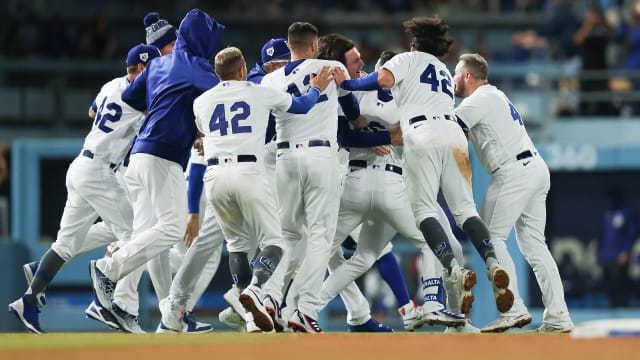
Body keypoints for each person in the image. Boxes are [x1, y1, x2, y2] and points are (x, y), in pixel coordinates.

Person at [334, 16, 514, 317]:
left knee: (425, 211)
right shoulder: (443, 70)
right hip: (454, 135)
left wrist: (348, 84)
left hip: (421, 134)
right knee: (465, 211)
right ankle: (492, 261)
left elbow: (383, 80)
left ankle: (453, 269)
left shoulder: (408, 58)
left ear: (414, 42)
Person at [314, 37, 465, 331]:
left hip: (354, 183)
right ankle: (432, 303)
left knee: (356, 255)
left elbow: (343, 133)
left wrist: (372, 137)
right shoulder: (407, 103)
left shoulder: (357, 98)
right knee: (433, 244)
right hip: (394, 184)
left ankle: (306, 307)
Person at [8, 44, 161, 334]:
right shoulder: (140, 93)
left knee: (65, 244)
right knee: (137, 234)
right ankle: (108, 302)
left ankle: (28, 299)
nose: (155, 74)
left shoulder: (111, 85)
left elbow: (93, 111)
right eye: (151, 68)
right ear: (141, 69)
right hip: (101, 170)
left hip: (81, 165)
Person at [87, 9, 225, 330]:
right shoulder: (199, 69)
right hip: (163, 156)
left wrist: (175, 111)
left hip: (138, 157)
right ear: (200, 38)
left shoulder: (159, 64)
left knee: (148, 233)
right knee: (172, 229)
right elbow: (224, 97)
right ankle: (110, 266)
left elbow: (132, 96)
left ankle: (128, 303)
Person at [188, 46, 331, 333]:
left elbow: (204, 131)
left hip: (215, 176)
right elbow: (302, 107)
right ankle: (255, 289)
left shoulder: (201, 101)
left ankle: (251, 319)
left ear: (217, 74)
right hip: (248, 171)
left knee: (237, 247)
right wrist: (316, 88)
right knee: (276, 243)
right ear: (243, 71)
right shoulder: (258, 90)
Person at [452, 53, 574, 333]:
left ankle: (515, 309)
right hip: (534, 167)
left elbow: (448, 126)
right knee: (534, 246)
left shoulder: (478, 99)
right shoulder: (496, 96)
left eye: (457, 74)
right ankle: (558, 316)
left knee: (489, 238)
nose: (453, 79)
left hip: (512, 171)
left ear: (469, 76)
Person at [260, 21, 360, 333]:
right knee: (320, 237)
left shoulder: (271, 79)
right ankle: (302, 308)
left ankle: (268, 297)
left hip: (285, 158)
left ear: (290, 46)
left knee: (289, 237)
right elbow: (353, 108)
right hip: (320, 155)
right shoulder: (330, 66)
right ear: (314, 45)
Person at [598, 188, 637, 308]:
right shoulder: (607, 214)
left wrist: (626, 251)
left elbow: (632, 233)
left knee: (620, 282)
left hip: (619, 255)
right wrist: (600, 250)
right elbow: (602, 234)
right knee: (608, 282)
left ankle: (623, 306)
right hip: (607, 255)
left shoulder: (626, 213)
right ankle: (612, 306)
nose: (608, 201)